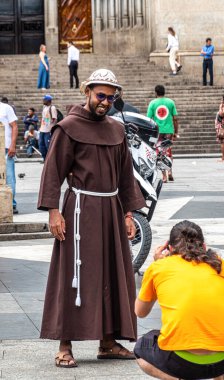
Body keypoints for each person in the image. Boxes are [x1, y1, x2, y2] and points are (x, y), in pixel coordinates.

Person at [37, 68, 146, 368]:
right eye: (101, 95)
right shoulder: (68, 127)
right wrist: (53, 211)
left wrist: (127, 212)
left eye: (111, 98)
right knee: (74, 274)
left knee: (112, 272)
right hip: (79, 211)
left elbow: (126, 175)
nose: (105, 102)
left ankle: (108, 343)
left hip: (110, 209)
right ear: (87, 92)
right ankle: (64, 345)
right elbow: (53, 171)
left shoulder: (116, 129)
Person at [134, 220, 224, 380]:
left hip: (182, 362)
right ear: (204, 247)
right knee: (213, 325)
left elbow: (140, 312)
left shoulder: (159, 267)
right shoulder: (221, 264)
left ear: (169, 248)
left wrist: (157, 266)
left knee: (141, 348)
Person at [147, 85, 178, 182]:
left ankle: (164, 176)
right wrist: (176, 132)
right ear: (164, 92)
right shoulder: (170, 102)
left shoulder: (152, 103)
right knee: (168, 152)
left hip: (157, 132)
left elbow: (148, 119)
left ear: (156, 93)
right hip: (169, 131)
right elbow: (175, 118)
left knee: (159, 153)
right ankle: (170, 172)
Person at [0, 97, 18, 214]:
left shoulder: (6, 108)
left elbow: (15, 126)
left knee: (9, 176)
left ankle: (11, 203)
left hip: (5, 147)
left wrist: (12, 145)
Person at [38, 94, 57, 161]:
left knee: (48, 145)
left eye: (44, 99)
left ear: (48, 100)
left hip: (48, 130)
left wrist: (51, 127)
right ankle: (45, 158)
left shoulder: (52, 108)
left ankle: (50, 160)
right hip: (42, 129)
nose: (43, 100)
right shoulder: (44, 107)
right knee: (41, 145)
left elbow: (54, 119)